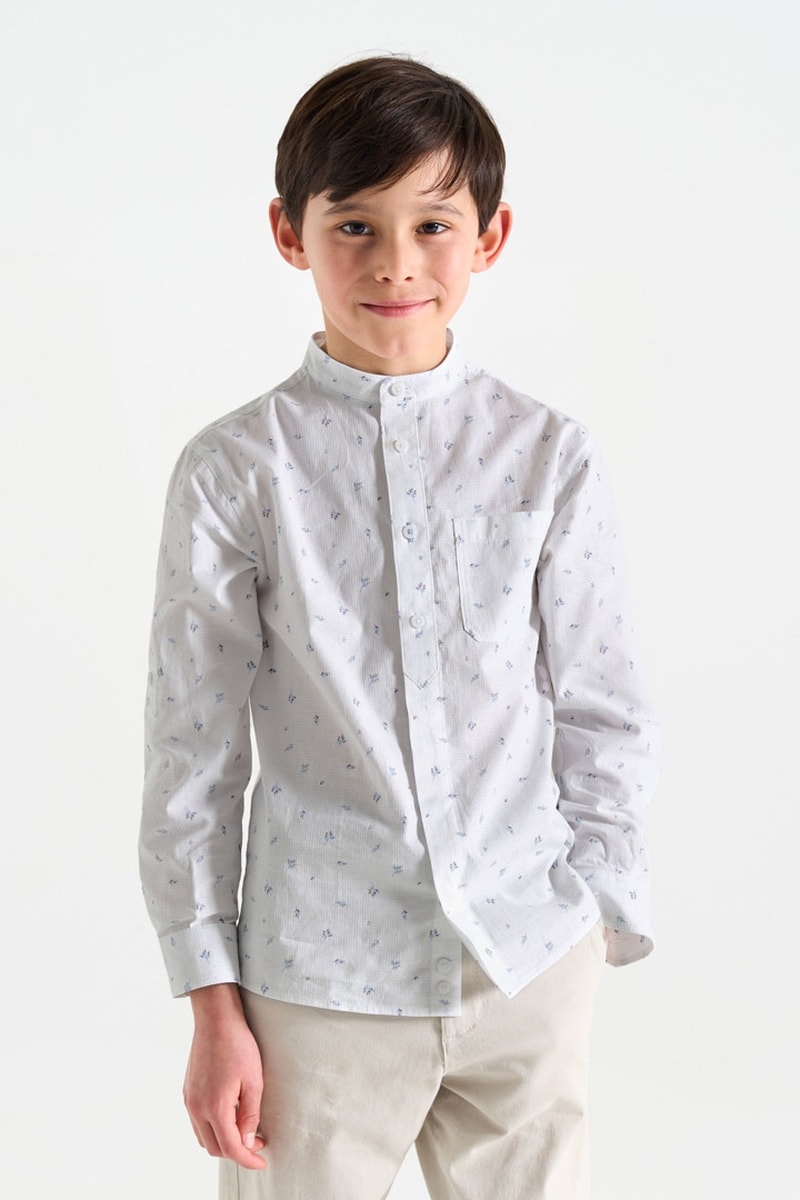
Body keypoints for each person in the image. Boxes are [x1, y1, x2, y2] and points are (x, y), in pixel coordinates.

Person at [139, 54, 659, 1200]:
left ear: (489, 235)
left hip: (527, 957)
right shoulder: (234, 472)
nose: (395, 263)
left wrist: (597, 910)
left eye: (432, 224)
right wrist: (211, 1003)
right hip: (317, 980)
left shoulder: (548, 457)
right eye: (354, 226)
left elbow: (601, 703)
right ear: (289, 233)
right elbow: (193, 751)